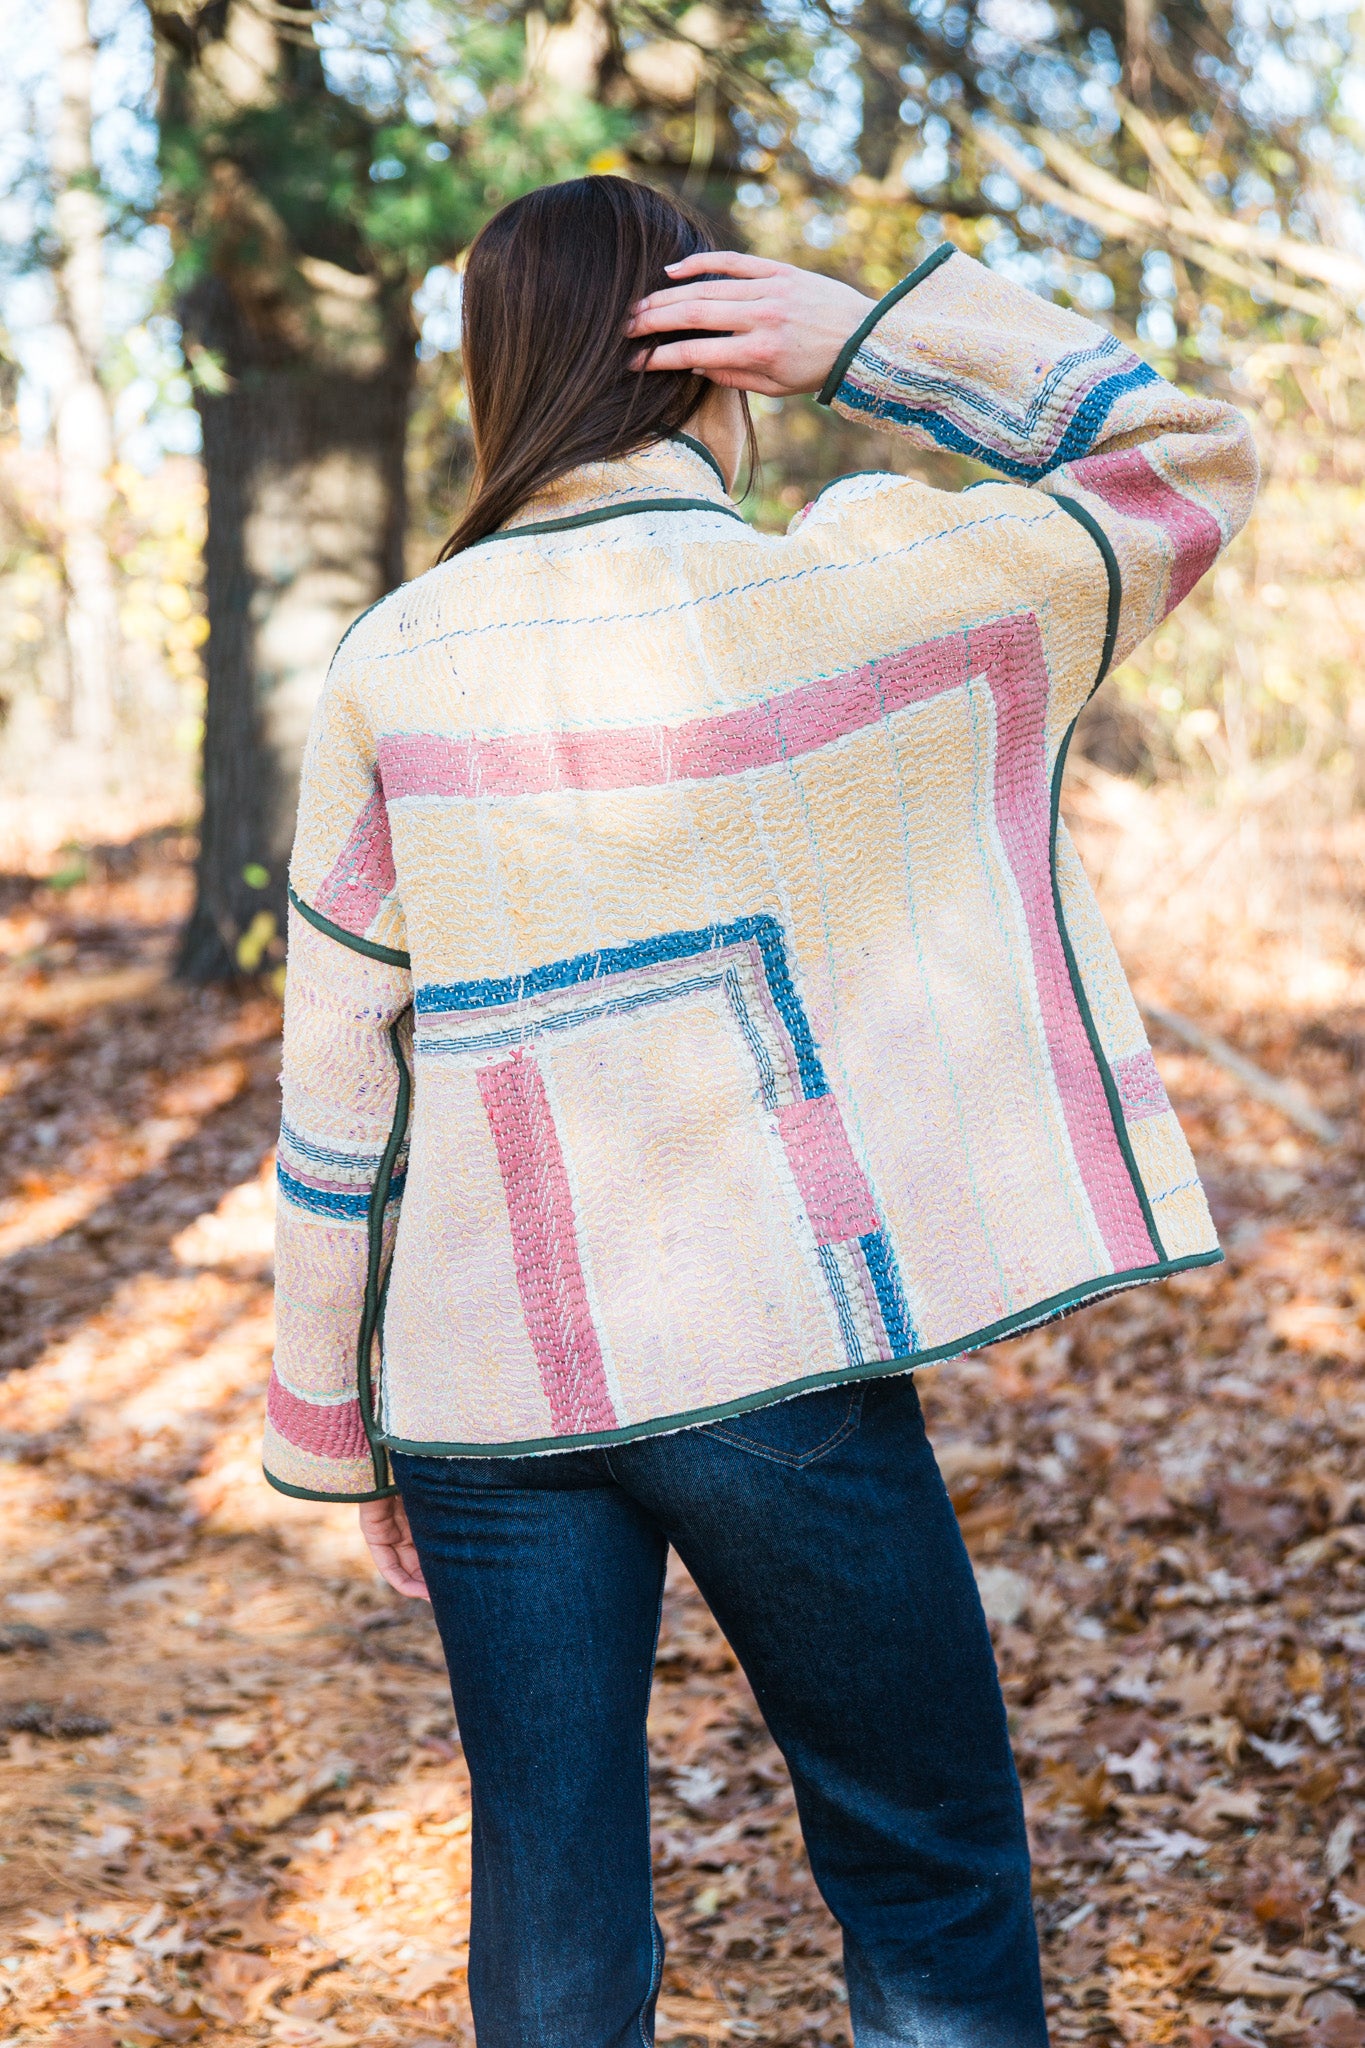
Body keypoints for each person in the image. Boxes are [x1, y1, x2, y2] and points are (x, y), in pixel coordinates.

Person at [267, 175, 1257, 2046]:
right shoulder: (838, 590)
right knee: (923, 1866)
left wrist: (342, 1423)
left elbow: (340, 1080)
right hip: (773, 1356)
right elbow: (1186, 458)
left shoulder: (396, 654)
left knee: (552, 1926)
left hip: (482, 1385)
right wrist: (869, 340)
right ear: (718, 359)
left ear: (497, 379)